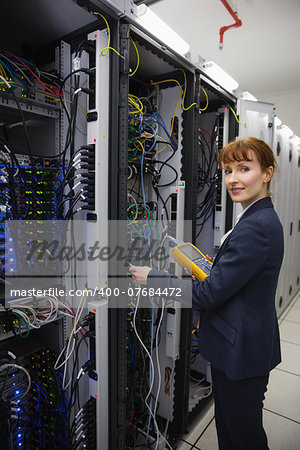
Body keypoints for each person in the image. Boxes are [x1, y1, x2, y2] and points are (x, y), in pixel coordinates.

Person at [130, 137, 284, 450]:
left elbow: (209, 295)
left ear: (267, 173)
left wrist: (154, 278)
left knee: (243, 438)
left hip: (241, 353)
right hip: (248, 344)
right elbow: (238, 279)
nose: (233, 179)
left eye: (244, 168)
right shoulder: (258, 217)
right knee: (234, 430)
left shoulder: (256, 226)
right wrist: (215, 268)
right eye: (228, 170)